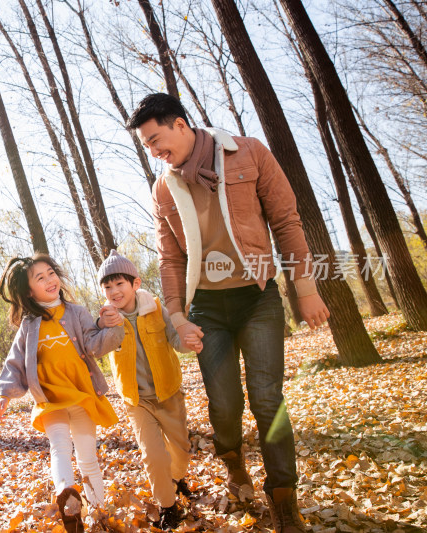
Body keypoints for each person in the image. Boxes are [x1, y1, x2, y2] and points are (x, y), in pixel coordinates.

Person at [126, 93, 329, 533]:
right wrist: (177, 315)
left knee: (268, 398)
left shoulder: (249, 152)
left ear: (181, 124)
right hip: (207, 310)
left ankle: (283, 499)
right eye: (148, 147)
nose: (156, 152)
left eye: (157, 139)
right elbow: (170, 258)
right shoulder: (165, 187)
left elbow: (286, 221)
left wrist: (306, 290)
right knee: (224, 403)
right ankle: (235, 466)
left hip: (258, 298)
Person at [0, 253, 125, 533]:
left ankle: (98, 511)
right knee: (60, 447)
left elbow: (93, 344)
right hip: (50, 399)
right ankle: (68, 497)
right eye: (40, 278)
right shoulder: (29, 325)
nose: (50, 280)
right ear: (29, 291)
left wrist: (113, 327)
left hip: (81, 393)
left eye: (51, 273)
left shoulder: (77, 312)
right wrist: (5, 394)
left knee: (88, 455)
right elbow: (15, 360)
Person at [96, 249, 201, 530]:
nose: (114, 291)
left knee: (180, 452)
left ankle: (176, 480)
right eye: (107, 287)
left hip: (168, 393)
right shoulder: (107, 319)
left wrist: (189, 343)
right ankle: (168, 506)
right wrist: (105, 326)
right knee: (153, 455)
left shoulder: (156, 308)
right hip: (136, 400)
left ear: (135, 284)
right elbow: (97, 347)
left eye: (119, 284)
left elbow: (174, 339)